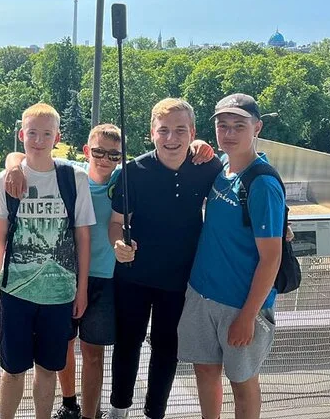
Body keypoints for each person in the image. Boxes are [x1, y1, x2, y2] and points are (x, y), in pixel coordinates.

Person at [3, 124, 215, 419]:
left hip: (107, 279)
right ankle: (69, 403)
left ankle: (91, 414)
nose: (105, 159)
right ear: (86, 151)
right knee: (63, 347)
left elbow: (169, 152)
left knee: (94, 354)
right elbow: (28, 155)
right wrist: (14, 165)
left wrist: (197, 143)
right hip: (66, 275)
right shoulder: (71, 175)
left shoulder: (123, 177)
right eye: (99, 152)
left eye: (114, 155)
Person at [109, 98, 223, 419]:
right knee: (127, 344)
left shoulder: (208, 167)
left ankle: (154, 413)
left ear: (193, 132)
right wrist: (118, 244)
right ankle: (119, 410)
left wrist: (281, 222)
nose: (171, 138)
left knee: (166, 349)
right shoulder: (133, 171)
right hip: (133, 276)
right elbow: (116, 223)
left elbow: (242, 181)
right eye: (163, 130)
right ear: (152, 133)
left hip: (179, 279)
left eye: (180, 130)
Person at [0, 103, 96, 419]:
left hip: (60, 294)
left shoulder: (74, 179)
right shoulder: (5, 180)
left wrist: (81, 289)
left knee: (48, 369)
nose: (38, 140)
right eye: (32, 133)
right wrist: (12, 278)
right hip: (16, 293)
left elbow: (82, 237)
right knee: (12, 370)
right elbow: (1, 237)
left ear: (56, 138)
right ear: (22, 135)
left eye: (47, 134)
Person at [177, 94, 284, 419]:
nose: (230, 133)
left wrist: (248, 316)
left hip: (239, 304)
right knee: (205, 372)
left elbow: (271, 258)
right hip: (202, 294)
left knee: (242, 383)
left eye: (239, 126)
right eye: (223, 126)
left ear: (257, 128)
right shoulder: (222, 167)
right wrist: (197, 145)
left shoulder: (262, 183)